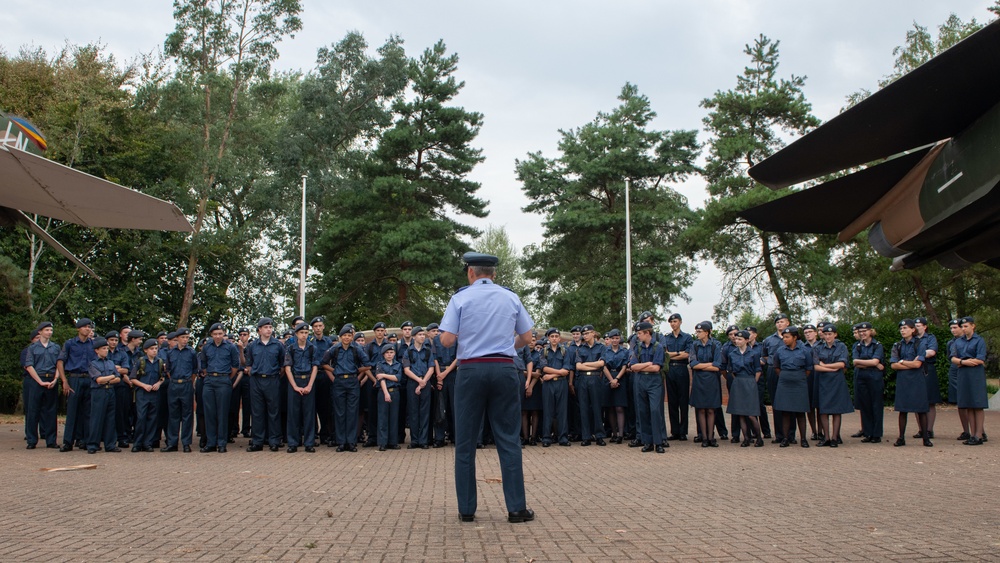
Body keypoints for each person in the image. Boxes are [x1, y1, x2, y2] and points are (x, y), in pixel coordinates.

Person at [439, 251, 535, 524]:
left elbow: (446, 340)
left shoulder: (460, 298)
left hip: (470, 370)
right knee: (508, 438)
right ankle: (516, 508)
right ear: (494, 274)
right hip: (505, 369)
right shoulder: (510, 297)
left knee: (466, 442)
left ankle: (467, 509)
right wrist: (505, 344)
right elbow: (527, 337)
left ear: (470, 272)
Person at [322, 325, 368, 452]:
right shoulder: (334, 349)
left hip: (353, 381)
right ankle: (341, 442)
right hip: (339, 382)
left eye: (349, 335)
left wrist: (356, 372)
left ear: (352, 337)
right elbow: (323, 363)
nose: (347, 338)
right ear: (340, 337)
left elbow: (367, 363)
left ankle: (351, 442)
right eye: (344, 336)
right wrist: (335, 371)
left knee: (352, 412)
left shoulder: (357, 349)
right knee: (340, 412)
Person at [245, 318, 287, 452]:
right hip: (256, 380)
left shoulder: (278, 345)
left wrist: (274, 376)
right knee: (257, 412)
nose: (269, 329)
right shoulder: (253, 346)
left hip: (272, 379)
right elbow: (249, 364)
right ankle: (258, 441)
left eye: (270, 327)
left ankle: (274, 440)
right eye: (266, 327)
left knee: (273, 411)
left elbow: (282, 365)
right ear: (259, 330)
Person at [890, 319, 931, 447]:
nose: (902, 330)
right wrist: (909, 364)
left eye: (905, 328)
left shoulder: (920, 344)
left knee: (921, 409)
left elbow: (918, 364)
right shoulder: (897, 345)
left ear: (913, 330)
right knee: (903, 409)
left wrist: (902, 362)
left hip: (917, 379)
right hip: (903, 379)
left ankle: (926, 438)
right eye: (901, 329)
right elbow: (893, 365)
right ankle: (901, 437)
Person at [200, 324, 240, 453]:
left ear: (224, 334)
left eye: (220, 333)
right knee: (209, 413)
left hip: (224, 380)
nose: (217, 336)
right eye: (215, 334)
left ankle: (222, 443)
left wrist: (227, 378)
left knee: (222, 413)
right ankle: (211, 443)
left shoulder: (231, 347)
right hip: (210, 380)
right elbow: (204, 365)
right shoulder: (206, 348)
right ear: (211, 335)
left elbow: (235, 366)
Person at [57, 318, 96, 452]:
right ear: (78, 329)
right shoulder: (70, 344)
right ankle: (68, 441)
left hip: (90, 379)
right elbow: (60, 361)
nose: (88, 329)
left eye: (89, 327)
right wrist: (64, 381)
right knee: (72, 411)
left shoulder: (93, 344)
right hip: (75, 378)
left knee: (88, 412)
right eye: (85, 327)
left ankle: (85, 440)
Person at [812, 325, 853, 447]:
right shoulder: (817, 347)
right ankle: (826, 437)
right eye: (825, 334)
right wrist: (831, 368)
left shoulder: (841, 346)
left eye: (830, 334)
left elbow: (841, 364)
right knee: (823, 409)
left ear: (835, 334)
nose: (828, 336)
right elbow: (816, 366)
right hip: (823, 380)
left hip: (837, 381)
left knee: (836, 410)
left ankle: (835, 438)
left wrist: (825, 366)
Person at [772, 326, 813, 448]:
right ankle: (785, 438)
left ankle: (803, 439)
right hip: (784, 381)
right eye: (784, 337)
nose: (784, 339)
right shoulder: (780, 351)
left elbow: (808, 368)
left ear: (795, 337)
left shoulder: (804, 350)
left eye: (787, 337)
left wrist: (798, 377)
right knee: (785, 412)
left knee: (800, 412)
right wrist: (786, 376)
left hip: (799, 381)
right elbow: (776, 367)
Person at [629, 321, 666, 453]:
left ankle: (659, 442)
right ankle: (647, 442)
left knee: (655, 411)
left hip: (654, 381)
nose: (638, 336)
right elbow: (632, 366)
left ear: (647, 333)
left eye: (639, 333)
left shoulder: (658, 347)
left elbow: (656, 368)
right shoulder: (637, 347)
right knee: (642, 411)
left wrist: (642, 365)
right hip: (640, 380)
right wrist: (648, 363)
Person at [22, 322, 60, 449]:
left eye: (51, 330)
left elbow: (59, 364)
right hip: (37, 380)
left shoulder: (55, 347)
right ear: (40, 332)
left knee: (51, 411)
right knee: (33, 410)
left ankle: (51, 440)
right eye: (47, 330)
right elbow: (29, 366)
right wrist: (40, 381)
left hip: (52, 379)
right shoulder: (32, 348)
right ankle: (32, 440)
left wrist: (55, 379)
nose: (50, 332)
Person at [952, 316, 988, 445]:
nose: (964, 328)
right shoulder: (958, 342)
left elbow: (980, 359)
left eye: (966, 326)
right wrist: (964, 361)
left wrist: (964, 362)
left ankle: (979, 435)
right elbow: (953, 358)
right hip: (963, 374)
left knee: (977, 404)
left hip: (975, 374)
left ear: (973, 326)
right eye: (962, 326)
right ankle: (972, 434)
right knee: (968, 404)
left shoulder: (979, 340)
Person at [725, 330, 764, 447]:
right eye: (736, 339)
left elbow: (758, 370)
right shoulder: (732, 354)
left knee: (751, 413)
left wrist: (753, 382)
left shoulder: (753, 354)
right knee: (740, 412)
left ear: (747, 340)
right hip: (738, 382)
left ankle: (758, 438)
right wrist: (738, 380)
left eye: (740, 339)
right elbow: (731, 370)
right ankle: (746, 438)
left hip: (750, 381)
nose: (737, 341)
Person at [284, 322, 318, 453]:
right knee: (293, 414)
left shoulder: (312, 348)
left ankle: (309, 443)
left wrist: (309, 385)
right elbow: (287, 368)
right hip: (295, 380)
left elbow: (315, 367)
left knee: (309, 414)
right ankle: (293, 442)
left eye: (306, 333)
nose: (304, 335)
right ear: (296, 334)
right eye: (301, 333)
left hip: (308, 380)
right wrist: (294, 386)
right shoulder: (291, 348)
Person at [762, 314, 795, 443]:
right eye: (777, 322)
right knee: (776, 403)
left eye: (782, 321)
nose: (779, 324)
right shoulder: (769, 340)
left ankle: (791, 435)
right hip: (773, 371)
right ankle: (779, 435)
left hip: (788, 371)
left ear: (788, 323)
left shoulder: (794, 339)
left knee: (790, 403)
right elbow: (764, 356)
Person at [164, 328, 198, 452]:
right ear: (177, 338)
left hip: (186, 384)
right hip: (173, 385)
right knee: (173, 414)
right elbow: (168, 370)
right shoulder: (170, 353)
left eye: (187, 338)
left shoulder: (191, 352)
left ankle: (186, 443)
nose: (185, 340)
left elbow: (195, 370)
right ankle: (172, 443)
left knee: (187, 414)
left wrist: (189, 382)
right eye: (183, 337)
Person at [689, 321, 722, 448]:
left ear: (707, 332)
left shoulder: (715, 345)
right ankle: (704, 437)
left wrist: (701, 366)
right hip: (699, 380)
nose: (697, 334)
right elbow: (693, 364)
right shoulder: (694, 345)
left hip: (712, 380)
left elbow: (717, 366)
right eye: (696, 331)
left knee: (711, 409)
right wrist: (709, 364)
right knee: (701, 409)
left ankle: (711, 437)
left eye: (699, 331)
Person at [574, 324, 607, 446]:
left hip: (595, 378)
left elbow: (602, 363)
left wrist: (586, 364)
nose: (585, 336)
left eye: (587, 333)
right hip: (583, 379)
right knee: (583, 408)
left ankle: (599, 435)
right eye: (584, 334)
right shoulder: (580, 348)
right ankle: (586, 436)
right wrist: (594, 364)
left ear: (593, 333)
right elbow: (578, 366)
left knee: (597, 407)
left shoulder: (601, 347)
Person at [130, 339, 165, 452]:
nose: (154, 351)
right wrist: (144, 385)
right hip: (142, 393)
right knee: (141, 418)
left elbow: (162, 377)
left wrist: (159, 384)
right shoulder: (140, 361)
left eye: (156, 349)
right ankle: (137, 443)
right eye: (152, 349)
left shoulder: (159, 362)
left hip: (154, 394)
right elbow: (133, 378)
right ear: (145, 350)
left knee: (152, 419)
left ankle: (147, 443)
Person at [87, 337, 121, 454]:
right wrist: (111, 377)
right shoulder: (93, 364)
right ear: (97, 350)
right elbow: (99, 380)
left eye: (107, 348)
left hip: (110, 391)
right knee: (97, 418)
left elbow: (118, 379)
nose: (106, 350)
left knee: (110, 418)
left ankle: (110, 444)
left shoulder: (110, 363)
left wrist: (108, 379)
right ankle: (92, 444)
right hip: (98, 392)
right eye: (103, 348)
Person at [403, 326, 434, 449]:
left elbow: (431, 368)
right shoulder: (408, 351)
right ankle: (414, 440)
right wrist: (418, 381)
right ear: (414, 336)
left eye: (423, 335)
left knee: (425, 412)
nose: (422, 337)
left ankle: (423, 441)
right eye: (420, 335)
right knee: (413, 412)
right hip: (413, 383)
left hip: (425, 382)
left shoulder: (427, 351)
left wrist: (423, 382)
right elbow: (406, 370)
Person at [539, 328, 571, 447]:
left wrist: (552, 375)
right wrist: (559, 372)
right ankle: (546, 438)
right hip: (548, 385)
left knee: (562, 411)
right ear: (548, 338)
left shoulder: (564, 351)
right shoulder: (544, 352)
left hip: (561, 383)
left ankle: (563, 438)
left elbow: (566, 369)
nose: (554, 338)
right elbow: (544, 368)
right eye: (552, 336)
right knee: (548, 411)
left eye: (556, 336)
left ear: (559, 338)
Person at [363, 322, 391, 448]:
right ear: (375, 332)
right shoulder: (369, 347)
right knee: (371, 409)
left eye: (382, 330)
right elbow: (366, 366)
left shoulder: (390, 346)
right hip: (373, 378)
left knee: (385, 409)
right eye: (378, 330)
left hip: (387, 377)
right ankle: (372, 436)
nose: (380, 332)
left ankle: (385, 437)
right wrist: (374, 379)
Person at [914, 318, 942, 439]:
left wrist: (918, 354)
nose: (916, 327)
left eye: (919, 325)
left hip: (927, 369)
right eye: (915, 325)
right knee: (917, 400)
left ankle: (929, 430)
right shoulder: (912, 339)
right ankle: (921, 429)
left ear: (925, 326)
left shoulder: (930, 338)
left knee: (930, 400)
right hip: (914, 369)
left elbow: (931, 352)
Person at [309, 317, 334, 447]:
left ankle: (324, 434)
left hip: (324, 375)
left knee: (324, 407)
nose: (318, 328)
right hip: (311, 376)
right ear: (312, 328)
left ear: (323, 327)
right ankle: (312, 435)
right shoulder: (309, 341)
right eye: (315, 326)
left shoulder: (328, 342)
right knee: (311, 406)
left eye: (320, 326)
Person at [945, 319, 971, 439]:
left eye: (955, 327)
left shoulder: (970, 340)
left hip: (969, 371)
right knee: (960, 402)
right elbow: (949, 357)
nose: (953, 330)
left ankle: (979, 430)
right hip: (955, 371)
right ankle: (966, 430)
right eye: (951, 328)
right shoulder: (950, 343)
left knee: (971, 402)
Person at [602, 328, 629, 444]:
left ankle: (621, 434)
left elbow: (624, 366)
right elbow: (603, 366)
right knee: (610, 407)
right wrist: (611, 380)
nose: (614, 340)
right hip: (608, 377)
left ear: (619, 339)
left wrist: (617, 379)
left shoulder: (624, 352)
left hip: (620, 378)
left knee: (619, 407)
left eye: (617, 338)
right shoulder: (605, 351)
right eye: (612, 338)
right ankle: (613, 433)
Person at [374, 344, 402, 451]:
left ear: (394, 353)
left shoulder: (398, 365)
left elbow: (397, 378)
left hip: (395, 392)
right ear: (383, 354)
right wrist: (386, 393)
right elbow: (380, 379)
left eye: (391, 352)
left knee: (394, 417)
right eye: (387, 353)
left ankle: (393, 442)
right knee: (382, 417)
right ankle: (382, 442)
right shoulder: (380, 364)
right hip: (383, 391)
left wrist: (384, 375)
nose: (389, 355)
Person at [801, 324, 822, 441]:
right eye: (805, 332)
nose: (808, 334)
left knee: (820, 405)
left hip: (820, 377)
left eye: (810, 331)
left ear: (816, 333)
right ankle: (814, 431)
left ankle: (821, 431)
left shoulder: (822, 345)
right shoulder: (802, 347)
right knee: (809, 407)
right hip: (807, 378)